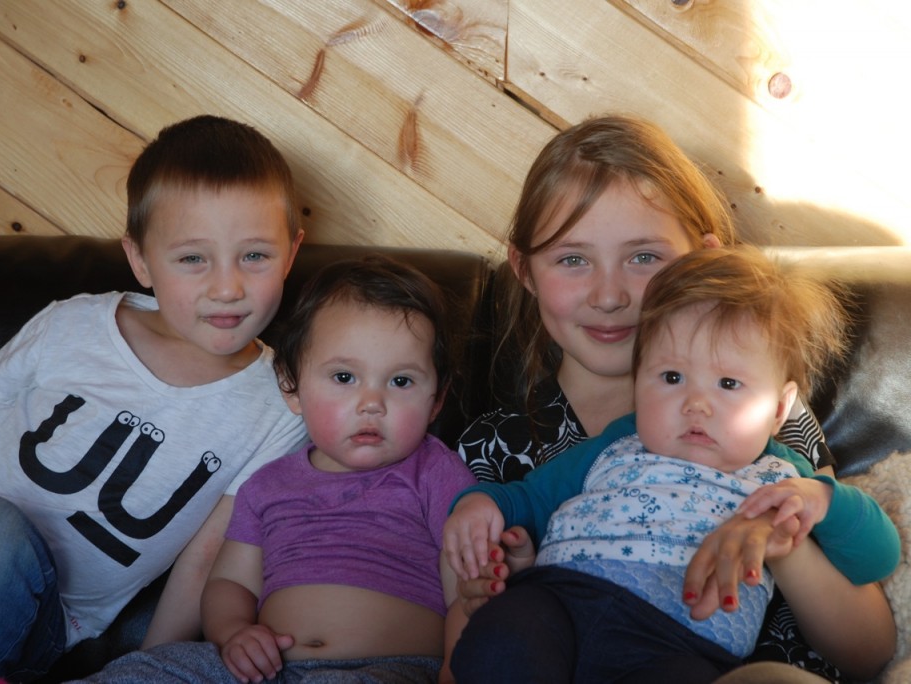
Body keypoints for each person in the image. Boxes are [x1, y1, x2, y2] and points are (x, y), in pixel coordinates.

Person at [454, 114, 896, 681]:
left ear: (701, 263)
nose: (611, 295)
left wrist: (781, 537)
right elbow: (461, 641)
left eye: (644, 257)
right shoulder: (494, 448)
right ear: (525, 270)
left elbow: (869, 646)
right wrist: (492, 574)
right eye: (572, 259)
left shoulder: (767, 428)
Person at [0, 115, 308, 682]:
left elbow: (206, 556)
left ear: (291, 252)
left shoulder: (279, 406)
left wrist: (144, 670)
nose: (227, 287)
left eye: (254, 256)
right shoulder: (77, 322)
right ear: (140, 260)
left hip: (22, 609)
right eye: (192, 259)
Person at [71, 255, 478, 683]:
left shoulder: (437, 474)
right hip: (262, 669)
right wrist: (234, 633)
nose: (371, 403)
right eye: (344, 377)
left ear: (437, 400)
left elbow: (468, 585)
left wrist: (457, 665)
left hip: (389, 668)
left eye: (401, 381)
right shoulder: (267, 485)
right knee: (147, 671)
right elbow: (231, 583)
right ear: (292, 386)